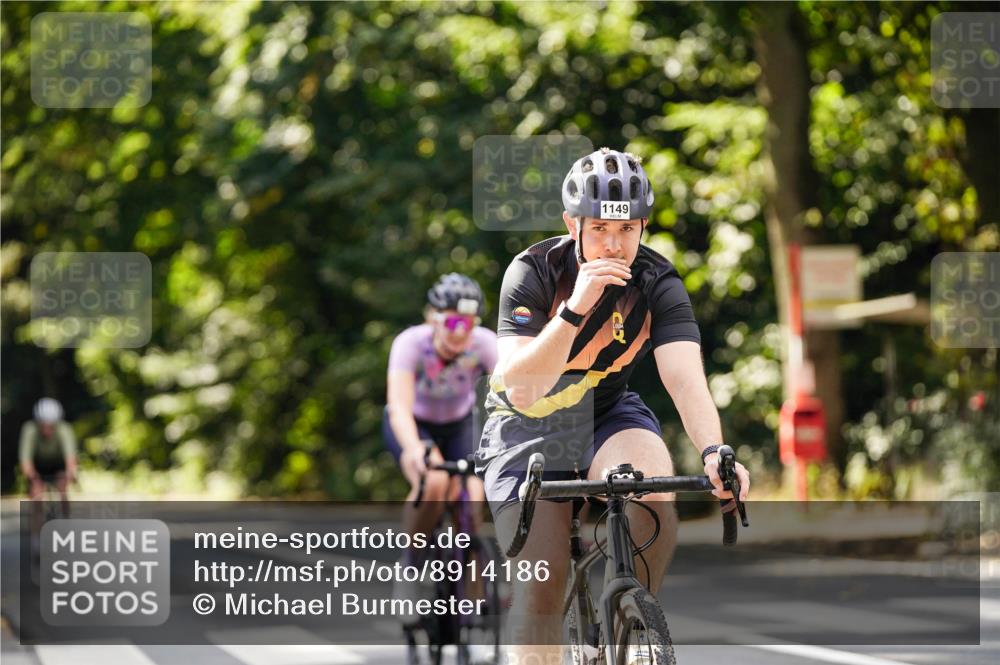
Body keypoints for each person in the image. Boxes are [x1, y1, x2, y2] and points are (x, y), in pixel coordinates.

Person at [475, 147, 751, 663]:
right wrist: (576, 308)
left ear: (643, 226)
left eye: (627, 231)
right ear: (572, 224)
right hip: (527, 427)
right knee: (541, 590)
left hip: (607, 413)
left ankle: (631, 624)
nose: (613, 245)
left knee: (649, 483)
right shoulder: (533, 271)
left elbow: (685, 378)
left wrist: (715, 451)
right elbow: (520, 388)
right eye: (600, 228)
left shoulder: (657, 280)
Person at [384, 273, 498, 611]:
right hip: (415, 423)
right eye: (450, 321)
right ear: (432, 319)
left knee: (471, 496)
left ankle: (472, 607)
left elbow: (512, 399)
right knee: (433, 481)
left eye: (467, 323)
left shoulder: (485, 343)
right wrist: (414, 448)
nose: (459, 332)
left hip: (459, 423)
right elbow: (399, 407)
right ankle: (410, 567)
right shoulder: (410, 343)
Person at [20, 398, 78, 540]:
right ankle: (37, 536)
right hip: (38, 466)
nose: (47, 430)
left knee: (63, 489)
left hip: (58, 465)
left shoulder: (64, 430)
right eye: (43, 426)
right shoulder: (29, 430)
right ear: (38, 423)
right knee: (36, 495)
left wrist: (70, 475)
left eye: (51, 426)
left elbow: (70, 459)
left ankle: (66, 525)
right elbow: (25, 461)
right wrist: (34, 479)